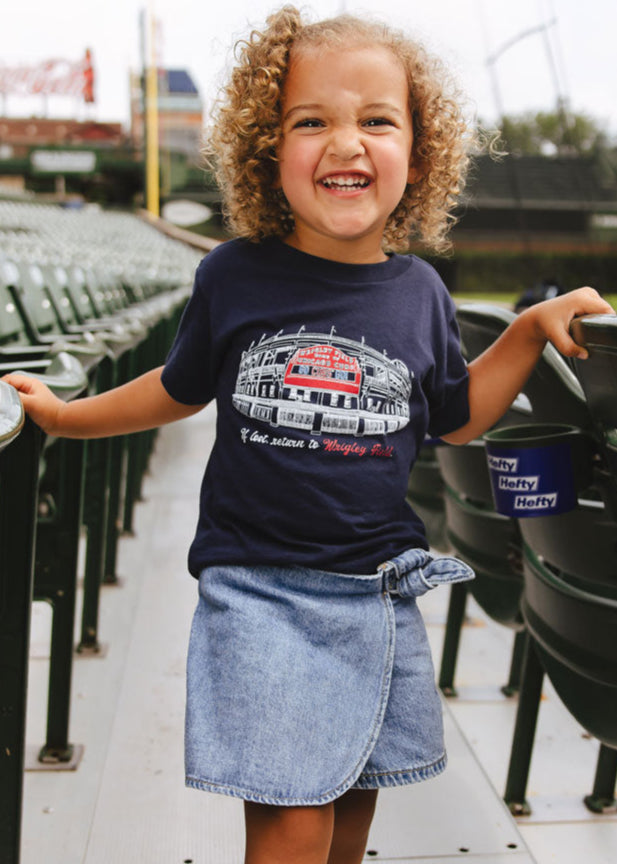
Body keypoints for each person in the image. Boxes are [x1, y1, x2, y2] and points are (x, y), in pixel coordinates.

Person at [3, 6, 614, 863]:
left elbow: (452, 416)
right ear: (267, 150)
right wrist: (66, 416)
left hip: (375, 594)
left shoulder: (421, 295)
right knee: (293, 826)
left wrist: (523, 331)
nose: (345, 143)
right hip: (262, 596)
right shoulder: (233, 275)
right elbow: (175, 390)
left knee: (346, 826)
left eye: (376, 120)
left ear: (418, 152)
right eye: (311, 121)